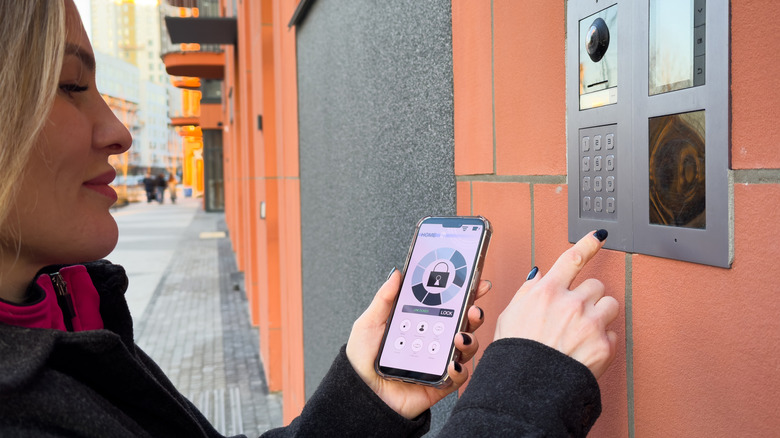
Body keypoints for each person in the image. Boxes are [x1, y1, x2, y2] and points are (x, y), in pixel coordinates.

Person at [0, 2, 618, 436]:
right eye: (72, 85)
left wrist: (367, 399)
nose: (118, 130)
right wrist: (526, 386)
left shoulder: (75, 302)